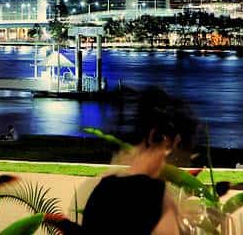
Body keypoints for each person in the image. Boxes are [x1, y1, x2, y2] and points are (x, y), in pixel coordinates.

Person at [82, 87, 196, 234]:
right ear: (154, 136)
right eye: (169, 148)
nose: (168, 163)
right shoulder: (156, 196)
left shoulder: (102, 190)